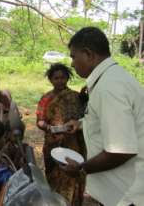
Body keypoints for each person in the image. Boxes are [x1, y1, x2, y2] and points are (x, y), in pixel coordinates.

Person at [62, 27, 144, 206]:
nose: (72, 64)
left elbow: (121, 151)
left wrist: (82, 168)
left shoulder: (110, 88)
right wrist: (81, 123)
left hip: (126, 195)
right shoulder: (110, 80)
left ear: (88, 54)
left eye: (73, 57)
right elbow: (109, 119)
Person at [36, 63, 86, 205]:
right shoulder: (46, 98)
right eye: (56, 78)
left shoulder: (76, 97)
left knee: (72, 175)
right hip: (53, 144)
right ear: (51, 80)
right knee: (54, 177)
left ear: (67, 78)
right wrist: (51, 129)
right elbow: (39, 122)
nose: (60, 81)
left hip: (73, 144)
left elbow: (84, 118)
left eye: (63, 78)